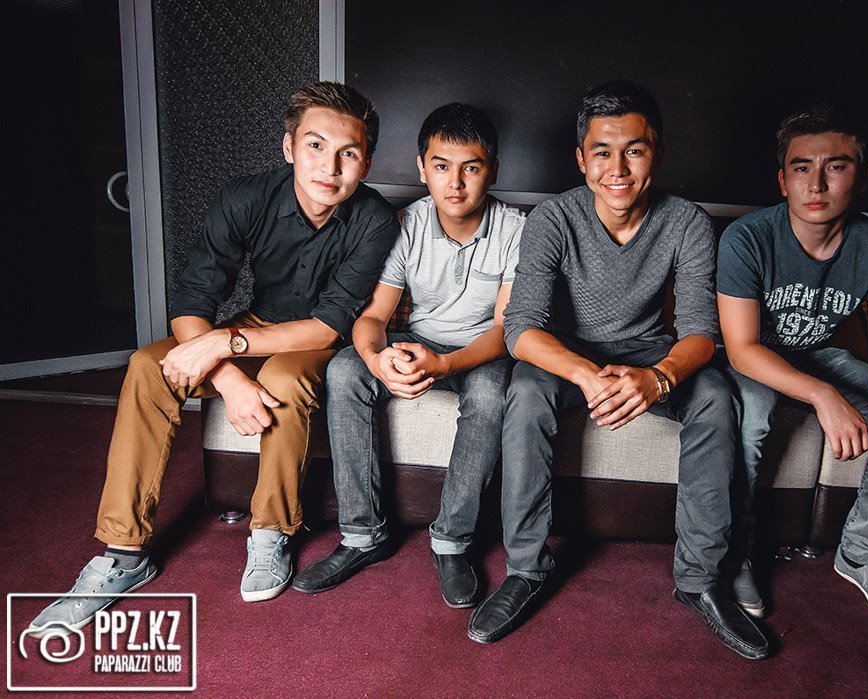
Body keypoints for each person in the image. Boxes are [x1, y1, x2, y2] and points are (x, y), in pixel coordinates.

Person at [29, 81, 399, 635]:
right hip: (254, 326)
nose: (330, 167)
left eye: (348, 153)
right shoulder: (244, 198)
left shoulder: (375, 220)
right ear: (288, 147)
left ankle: (271, 533)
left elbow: (327, 327)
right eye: (315, 146)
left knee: (284, 378)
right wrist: (227, 377)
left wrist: (226, 345)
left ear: (366, 163)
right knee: (147, 366)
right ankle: (124, 553)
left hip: (318, 342)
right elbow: (192, 303)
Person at [467, 81, 770, 659]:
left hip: (650, 352)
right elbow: (521, 328)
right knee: (524, 393)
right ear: (581, 159)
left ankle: (700, 579)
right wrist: (585, 375)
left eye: (635, 150)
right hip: (568, 354)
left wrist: (657, 378)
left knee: (715, 395)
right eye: (602, 152)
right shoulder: (552, 218)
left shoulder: (687, 221)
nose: (618, 168)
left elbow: (701, 333)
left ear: (657, 154)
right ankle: (526, 569)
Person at [293, 104, 523, 609]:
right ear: (422, 168)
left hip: (480, 351)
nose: (454, 183)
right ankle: (362, 535)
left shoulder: (516, 229)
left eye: (471, 167)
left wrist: (446, 365)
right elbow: (374, 317)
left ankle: (453, 542)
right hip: (416, 340)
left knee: (492, 391)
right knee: (345, 369)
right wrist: (377, 359)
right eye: (441, 166)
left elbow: (505, 330)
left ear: (493, 170)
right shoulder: (405, 224)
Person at [717, 103, 868, 625]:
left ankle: (863, 554)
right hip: (749, 359)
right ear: (782, 180)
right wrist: (823, 396)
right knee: (749, 413)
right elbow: (743, 348)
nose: (816, 184)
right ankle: (737, 553)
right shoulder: (747, 237)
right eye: (801, 168)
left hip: (817, 354)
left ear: (863, 177)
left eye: (836, 166)